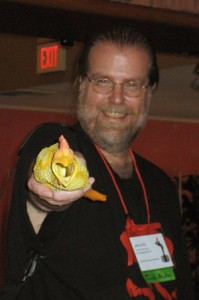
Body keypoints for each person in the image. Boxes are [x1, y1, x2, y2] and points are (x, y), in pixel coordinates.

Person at [2, 25, 193, 299]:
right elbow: (45, 188)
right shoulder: (55, 146)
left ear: (149, 92)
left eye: (131, 85)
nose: (116, 98)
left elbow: (181, 282)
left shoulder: (159, 183)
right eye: (102, 81)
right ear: (81, 84)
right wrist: (51, 195)